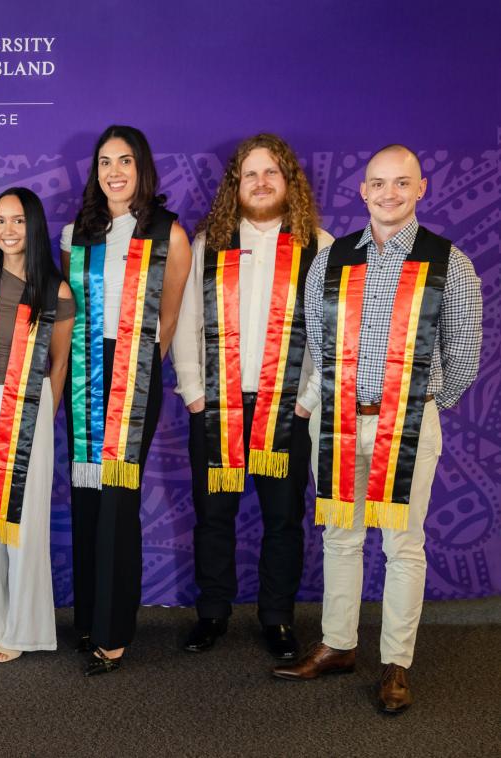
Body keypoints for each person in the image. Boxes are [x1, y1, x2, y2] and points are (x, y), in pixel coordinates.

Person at [273, 145, 481, 714]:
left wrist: (425, 406)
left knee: (402, 545)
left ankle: (396, 664)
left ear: (422, 188)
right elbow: (318, 338)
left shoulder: (447, 261)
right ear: (362, 191)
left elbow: (463, 353)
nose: (389, 193)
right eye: (378, 183)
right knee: (341, 536)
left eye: (402, 183)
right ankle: (338, 645)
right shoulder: (333, 257)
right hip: (341, 422)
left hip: (409, 423)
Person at [171, 134, 333, 660]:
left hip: (287, 405)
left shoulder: (320, 246)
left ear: (289, 181)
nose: (261, 183)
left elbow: (334, 334)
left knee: (283, 519)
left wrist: (308, 398)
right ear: (235, 186)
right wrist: (194, 392)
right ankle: (213, 612)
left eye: (271, 173)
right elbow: (185, 323)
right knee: (213, 514)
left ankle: (278, 618)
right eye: (250, 175)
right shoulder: (209, 244)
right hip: (218, 403)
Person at [60, 125, 191, 675]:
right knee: (87, 499)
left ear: (143, 169)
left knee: (116, 503)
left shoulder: (169, 234)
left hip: (132, 375)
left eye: (126, 161)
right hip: (83, 373)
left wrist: (134, 374)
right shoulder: (76, 233)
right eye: (105, 162)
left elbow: (170, 319)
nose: (114, 172)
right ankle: (89, 617)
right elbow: (65, 311)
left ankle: (114, 634)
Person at [0, 188, 73, 663]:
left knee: (24, 523)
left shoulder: (56, 289)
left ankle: (22, 629)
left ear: (35, 226)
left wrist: (41, 413)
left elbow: (60, 361)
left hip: (31, 406)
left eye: (19, 221)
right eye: (0, 221)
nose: (8, 231)